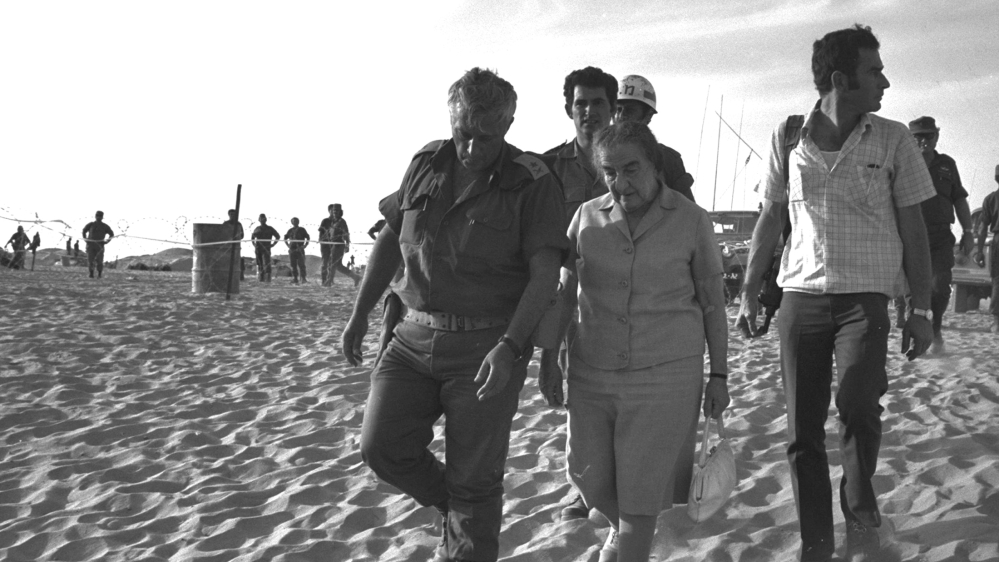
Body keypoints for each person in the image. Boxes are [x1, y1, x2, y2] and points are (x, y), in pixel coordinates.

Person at [342, 67, 567, 562]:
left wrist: (512, 348)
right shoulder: (427, 161)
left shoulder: (531, 181)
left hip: (485, 348)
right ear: (452, 120)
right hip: (412, 337)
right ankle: (456, 509)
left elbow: (544, 274)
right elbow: (390, 239)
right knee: (379, 446)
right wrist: (360, 314)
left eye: (485, 137)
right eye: (463, 133)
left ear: (508, 123)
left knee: (476, 480)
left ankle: (467, 520)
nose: (471, 148)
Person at [735, 25, 936, 562]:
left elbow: (914, 229)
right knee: (802, 431)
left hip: (864, 300)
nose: (885, 81)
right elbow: (770, 218)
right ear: (841, 79)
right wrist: (750, 293)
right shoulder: (787, 136)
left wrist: (920, 307)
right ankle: (816, 544)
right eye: (875, 71)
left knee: (858, 407)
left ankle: (861, 511)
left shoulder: (892, 138)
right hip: (800, 299)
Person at [540, 121, 729, 561]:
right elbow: (565, 294)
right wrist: (549, 358)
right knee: (587, 476)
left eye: (631, 169)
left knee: (642, 494)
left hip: (666, 376)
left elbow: (713, 305)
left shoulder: (691, 219)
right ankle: (626, 532)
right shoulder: (586, 217)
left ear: (654, 165)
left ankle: (631, 543)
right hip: (591, 370)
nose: (621, 183)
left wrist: (718, 375)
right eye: (609, 172)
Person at [891, 116, 974, 351]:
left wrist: (968, 231)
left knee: (940, 286)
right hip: (909, 237)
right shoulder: (901, 162)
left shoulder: (947, 164)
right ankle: (917, 333)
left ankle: (935, 329)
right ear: (910, 138)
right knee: (914, 290)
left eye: (929, 135)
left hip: (940, 237)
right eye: (918, 136)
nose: (924, 141)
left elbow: (959, 198)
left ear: (937, 136)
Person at [613, 74, 697, 203]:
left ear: (648, 115)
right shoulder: (598, 158)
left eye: (629, 110)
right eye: (617, 110)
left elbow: (689, 215)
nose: (621, 116)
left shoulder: (668, 161)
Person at [976, 165, 999, 333]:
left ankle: (997, 322)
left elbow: (983, 227)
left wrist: (979, 251)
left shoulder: (990, 199)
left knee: (998, 280)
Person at [318, 203, 361, 288]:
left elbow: (346, 233)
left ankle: (329, 281)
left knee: (332, 263)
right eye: (334, 211)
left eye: (337, 211)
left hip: (339, 244)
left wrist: (347, 245)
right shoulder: (333, 222)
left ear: (340, 212)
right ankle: (356, 277)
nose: (335, 212)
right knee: (338, 266)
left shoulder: (342, 221)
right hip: (332, 244)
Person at [82, 211, 115, 278]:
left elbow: (111, 234)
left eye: (100, 216)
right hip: (91, 245)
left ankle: (99, 274)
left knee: (99, 260)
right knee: (90, 260)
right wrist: (86, 240)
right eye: (97, 215)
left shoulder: (105, 226)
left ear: (102, 217)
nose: (98, 217)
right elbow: (84, 231)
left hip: (100, 245)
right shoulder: (91, 225)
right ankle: (91, 274)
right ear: (95, 216)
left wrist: (107, 241)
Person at [251, 214, 281, 282]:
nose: (262, 220)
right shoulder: (257, 228)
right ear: (259, 220)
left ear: (266, 219)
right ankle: (260, 278)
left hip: (266, 248)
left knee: (266, 263)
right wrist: (254, 244)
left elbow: (278, 236)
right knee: (259, 263)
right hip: (258, 248)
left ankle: (268, 279)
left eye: (263, 218)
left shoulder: (270, 228)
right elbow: (252, 237)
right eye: (261, 219)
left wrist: (273, 244)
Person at [284, 217, 310, 284]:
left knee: (302, 265)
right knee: (293, 265)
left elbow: (308, 237)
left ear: (298, 222)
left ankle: (303, 279)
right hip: (292, 249)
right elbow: (285, 238)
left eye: (296, 221)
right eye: (293, 221)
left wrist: (304, 246)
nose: (295, 222)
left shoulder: (302, 230)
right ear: (292, 223)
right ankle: (295, 278)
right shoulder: (290, 230)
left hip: (300, 249)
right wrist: (288, 245)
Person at [224, 209, 245, 281]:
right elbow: (222, 233)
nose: (232, 216)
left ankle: (239, 276)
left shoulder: (238, 224)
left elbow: (242, 235)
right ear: (229, 215)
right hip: (227, 247)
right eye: (231, 215)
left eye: (234, 215)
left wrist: (236, 237)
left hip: (236, 246)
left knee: (237, 261)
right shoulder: (226, 224)